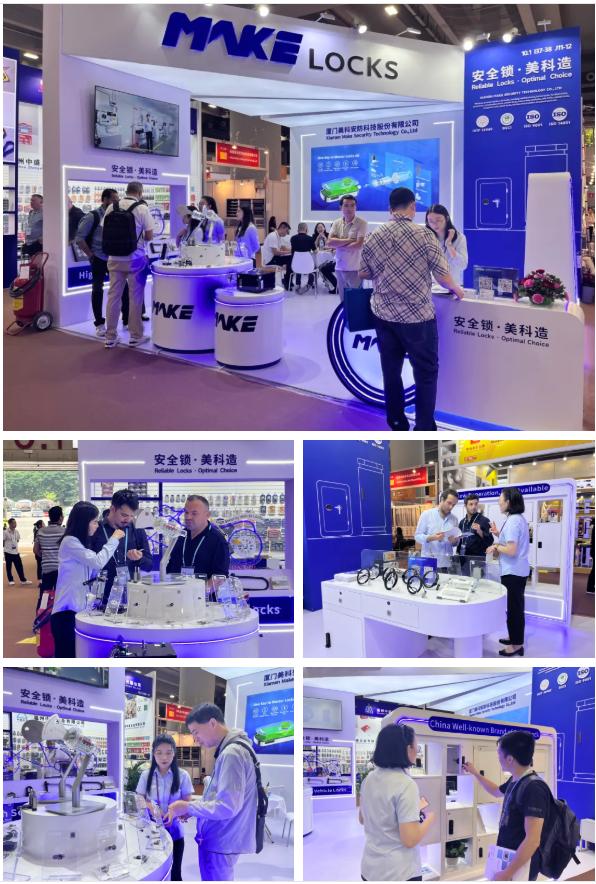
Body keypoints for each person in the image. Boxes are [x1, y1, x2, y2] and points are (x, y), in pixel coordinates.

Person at [359, 187, 466, 430]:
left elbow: (363, 273)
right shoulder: (424, 235)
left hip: (384, 315)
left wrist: (386, 272)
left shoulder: (374, 235)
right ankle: (424, 427)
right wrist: (457, 290)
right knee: (425, 373)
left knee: (391, 371)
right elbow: (442, 276)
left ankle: (397, 422)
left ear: (390, 208)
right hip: (417, 317)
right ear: (413, 207)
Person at [164, 702, 258, 881]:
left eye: (196, 732)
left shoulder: (232, 753)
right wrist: (192, 808)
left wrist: (188, 807)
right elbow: (219, 798)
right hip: (223, 840)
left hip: (220, 842)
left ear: (212, 723)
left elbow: (227, 807)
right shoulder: (234, 749)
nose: (195, 739)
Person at [463, 731, 552, 881]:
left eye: (499, 753)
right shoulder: (516, 780)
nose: (498, 757)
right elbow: (496, 791)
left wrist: (507, 873)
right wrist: (475, 773)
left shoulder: (534, 788)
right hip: (509, 859)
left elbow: (533, 840)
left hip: (521, 866)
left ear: (510, 759)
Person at [359, 723, 435, 882]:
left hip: (370, 868)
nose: (417, 750)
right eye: (415, 746)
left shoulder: (369, 779)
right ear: (407, 749)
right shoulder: (406, 784)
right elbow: (410, 839)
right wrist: (429, 819)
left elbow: (362, 818)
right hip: (398, 872)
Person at [51, 502, 123, 657]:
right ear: (83, 522)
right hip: (65, 615)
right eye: (94, 521)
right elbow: (97, 561)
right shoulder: (70, 542)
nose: (97, 525)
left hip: (76, 613)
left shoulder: (80, 544)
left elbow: (94, 568)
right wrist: (114, 539)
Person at [103, 180, 154, 349]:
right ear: (140, 193)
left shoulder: (112, 207)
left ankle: (110, 336)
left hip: (114, 258)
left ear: (126, 191)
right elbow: (149, 236)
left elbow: (104, 231)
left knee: (113, 296)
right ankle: (135, 336)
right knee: (135, 297)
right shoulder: (142, 208)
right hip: (135, 258)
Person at [137, 735, 193, 881]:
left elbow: (188, 802)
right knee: (153, 872)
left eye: (168, 752)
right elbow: (140, 798)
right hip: (151, 833)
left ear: (174, 753)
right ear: (153, 753)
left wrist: (177, 812)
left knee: (175, 873)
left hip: (175, 832)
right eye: (159, 752)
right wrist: (153, 808)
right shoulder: (146, 775)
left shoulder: (183, 775)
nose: (164, 757)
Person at [486, 488, 530, 658]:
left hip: (513, 572)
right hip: (516, 571)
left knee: (514, 609)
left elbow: (511, 550)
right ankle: (514, 638)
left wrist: (496, 545)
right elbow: (512, 543)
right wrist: (499, 534)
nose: (499, 502)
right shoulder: (516, 519)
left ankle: (517, 645)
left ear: (509, 502)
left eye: (501, 499)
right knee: (514, 608)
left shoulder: (513, 521)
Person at [88, 489, 152, 607]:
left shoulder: (137, 530)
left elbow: (149, 565)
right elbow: (88, 565)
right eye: (124, 515)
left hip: (131, 600)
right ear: (112, 509)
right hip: (100, 600)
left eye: (132, 516)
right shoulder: (96, 529)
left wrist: (139, 558)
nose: (128, 520)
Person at [75, 187, 120, 337]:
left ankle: (126, 318)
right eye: (114, 199)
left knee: (123, 288)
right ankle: (100, 324)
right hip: (99, 258)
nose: (117, 201)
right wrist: (90, 255)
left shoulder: (117, 216)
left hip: (113, 258)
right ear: (105, 199)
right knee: (97, 290)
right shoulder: (92, 216)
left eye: (117, 199)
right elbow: (79, 238)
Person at [166, 496, 230, 579]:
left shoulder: (218, 541)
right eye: (186, 512)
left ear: (207, 515)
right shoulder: (179, 537)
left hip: (204, 587)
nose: (188, 517)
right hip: (178, 587)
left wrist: (201, 588)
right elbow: (171, 568)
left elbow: (220, 577)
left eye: (194, 513)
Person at [328, 195, 368, 301]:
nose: (349, 208)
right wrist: (350, 240)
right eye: (346, 205)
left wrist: (338, 244)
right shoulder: (336, 223)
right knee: (343, 300)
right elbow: (330, 243)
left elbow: (358, 245)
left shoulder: (362, 223)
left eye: (352, 205)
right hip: (339, 267)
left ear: (356, 207)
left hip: (355, 269)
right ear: (341, 208)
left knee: (355, 301)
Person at [414, 489, 460, 564]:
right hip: (429, 562)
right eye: (449, 503)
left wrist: (455, 541)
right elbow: (417, 536)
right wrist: (431, 538)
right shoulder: (426, 515)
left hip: (447, 562)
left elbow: (455, 543)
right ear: (442, 499)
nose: (451, 507)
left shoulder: (454, 519)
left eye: (453, 505)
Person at [425, 204, 468, 284]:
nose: (435, 224)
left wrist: (449, 245)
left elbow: (462, 265)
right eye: (431, 221)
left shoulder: (459, 238)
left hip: (452, 284)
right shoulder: (426, 237)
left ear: (447, 218)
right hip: (431, 284)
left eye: (438, 220)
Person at [33, 505, 65, 608]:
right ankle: (58, 614)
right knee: (61, 595)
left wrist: (45, 557)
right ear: (60, 517)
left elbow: (35, 550)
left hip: (47, 569)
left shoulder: (40, 531)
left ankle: (41, 615)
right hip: (61, 569)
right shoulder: (64, 532)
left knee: (44, 595)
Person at [456, 494, 493, 574]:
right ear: (465, 506)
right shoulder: (462, 522)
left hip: (478, 561)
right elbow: (459, 541)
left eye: (476, 504)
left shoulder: (484, 521)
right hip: (463, 559)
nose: (474, 507)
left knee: (477, 580)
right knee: (464, 580)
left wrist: (480, 532)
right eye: (471, 504)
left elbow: (490, 541)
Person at [261, 221, 292, 290]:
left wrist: (292, 250)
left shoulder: (278, 236)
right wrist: (289, 252)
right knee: (290, 258)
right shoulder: (273, 236)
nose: (287, 233)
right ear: (282, 228)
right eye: (286, 231)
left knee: (290, 257)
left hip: (274, 257)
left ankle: (287, 280)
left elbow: (283, 247)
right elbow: (276, 252)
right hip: (270, 260)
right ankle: (287, 281)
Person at [4, 518, 31, 585]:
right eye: (13, 523)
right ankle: (11, 580)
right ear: (9, 524)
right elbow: (3, 541)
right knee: (8, 567)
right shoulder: (5, 532)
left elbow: (18, 540)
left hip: (16, 552)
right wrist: (7, 547)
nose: (15, 524)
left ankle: (23, 580)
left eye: (15, 523)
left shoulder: (16, 531)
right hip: (8, 552)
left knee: (19, 567)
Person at [290, 222, 316, 293]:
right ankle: (309, 284)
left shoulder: (293, 238)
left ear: (298, 230)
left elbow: (292, 251)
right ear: (306, 229)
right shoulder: (310, 239)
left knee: (299, 262)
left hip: (295, 266)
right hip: (308, 266)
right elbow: (315, 251)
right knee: (314, 266)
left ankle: (298, 284)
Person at [312, 222, 337, 292]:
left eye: (321, 227)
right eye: (318, 227)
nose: (320, 229)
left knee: (324, 268)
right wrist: (318, 237)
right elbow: (314, 246)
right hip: (320, 253)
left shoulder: (328, 235)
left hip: (330, 256)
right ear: (316, 229)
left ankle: (331, 282)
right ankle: (327, 280)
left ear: (324, 228)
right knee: (321, 267)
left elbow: (329, 245)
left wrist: (324, 237)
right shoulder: (314, 236)